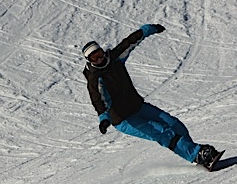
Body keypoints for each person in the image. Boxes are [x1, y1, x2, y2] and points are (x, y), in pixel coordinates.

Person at [82, 24, 221, 167]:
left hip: (137, 106)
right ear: (89, 61)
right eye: (94, 58)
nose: (99, 59)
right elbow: (98, 101)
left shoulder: (115, 58)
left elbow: (131, 41)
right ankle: (195, 154)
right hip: (123, 119)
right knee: (162, 132)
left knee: (174, 124)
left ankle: (197, 155)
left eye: (99, 54)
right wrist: (104, 119)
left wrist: (149, 29)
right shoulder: (94, 79)